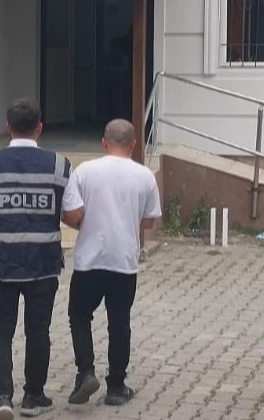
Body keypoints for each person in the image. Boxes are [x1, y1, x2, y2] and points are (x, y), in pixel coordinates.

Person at [0, 98, 84, 420]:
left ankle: (2, 398)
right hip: (43, 264)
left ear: (7, 127)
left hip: (2, 264)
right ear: (40, 127)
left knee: (0, 331)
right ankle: (33, 397)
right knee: (38, 330)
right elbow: (75, 215)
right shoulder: (60, 166)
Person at [65, 119, 162, 407]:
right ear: (133, 144)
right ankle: (117, 387)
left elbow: (73, 213)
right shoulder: (145, 176)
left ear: (104, 142)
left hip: (89, 260)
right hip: (124, 260)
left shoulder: (84, 171)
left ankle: (85, 372)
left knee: (79, 315)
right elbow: (150, 220)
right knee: (119, 322)